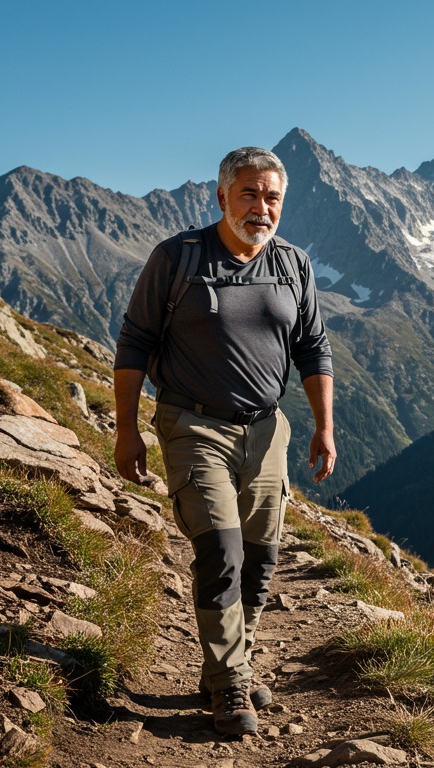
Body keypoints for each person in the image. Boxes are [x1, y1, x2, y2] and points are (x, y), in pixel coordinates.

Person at [113, 146, 335, 736]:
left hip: (267, 429)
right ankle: (230, 683)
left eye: (272, 198)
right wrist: (127, 428)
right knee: (221, 552)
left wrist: (323, 425)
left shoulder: (293, 265)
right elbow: (134, 342)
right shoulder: (179, 258)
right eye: (249, 194)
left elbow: (313, 348)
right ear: (221, 197)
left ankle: (232, 659)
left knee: (261, 562)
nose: (261, 207)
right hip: (192, 425)